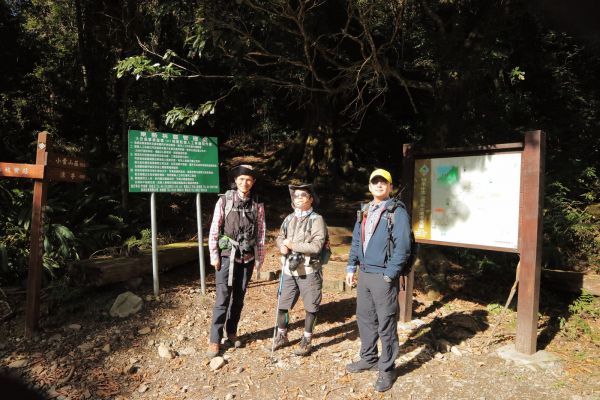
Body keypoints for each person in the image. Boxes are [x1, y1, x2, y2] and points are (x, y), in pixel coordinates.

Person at [345, 168, 412, 392]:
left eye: (384, 182)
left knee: (386, 322)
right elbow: (356, 240)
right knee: (365, 318)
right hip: (364, 274)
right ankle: (368, 358)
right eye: (375, 182)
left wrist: (390, 274)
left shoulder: (396, 211)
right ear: (370, 186)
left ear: (390, 187)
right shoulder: (364, 210)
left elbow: (403, 246)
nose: (379, 185)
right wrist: (351, 265)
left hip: (383, 275)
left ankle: (387, 368)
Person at [206, 164, 266, 358]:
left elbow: (261, 231)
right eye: (241, 179)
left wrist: (260, 258)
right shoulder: (224, 200)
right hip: (227, 257)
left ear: (253, 182)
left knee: (238, 298)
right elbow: (215, 228)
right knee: (222, 298)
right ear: (235, 180)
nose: (245, 182)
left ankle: (231, 332)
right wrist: (214, 255)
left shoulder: (257, 203)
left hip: (247, 257)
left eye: (248, 179)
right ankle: (215, 340)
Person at [273, 183, 327, 356]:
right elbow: (280, 237)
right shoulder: (289, 218)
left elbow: (317, 245)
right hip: (289, 269)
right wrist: (282, 245)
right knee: (282, 304)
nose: (298, 198)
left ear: (311, 199)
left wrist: (293, 245)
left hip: (309, 269)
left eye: (303, 195)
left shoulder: (317, 219)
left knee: (311, 306)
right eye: (296, 196)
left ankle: (307, 339)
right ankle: (282, 336)